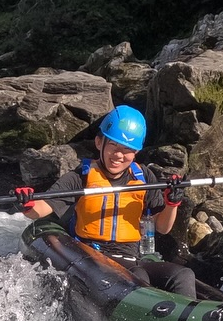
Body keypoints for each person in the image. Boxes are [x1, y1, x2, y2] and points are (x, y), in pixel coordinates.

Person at [19, 105, 197, 297]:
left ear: (136, 152)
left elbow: (163, 228)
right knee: (138, 276)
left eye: (127, 150)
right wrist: (26, 203)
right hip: (94, 258)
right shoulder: (81, 176)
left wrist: (172, 204)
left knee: (183, 274)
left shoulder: (143, 176)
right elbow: (41, 209)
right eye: (113, 145)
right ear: (99, 142)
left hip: (132, 255)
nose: (119, 155)